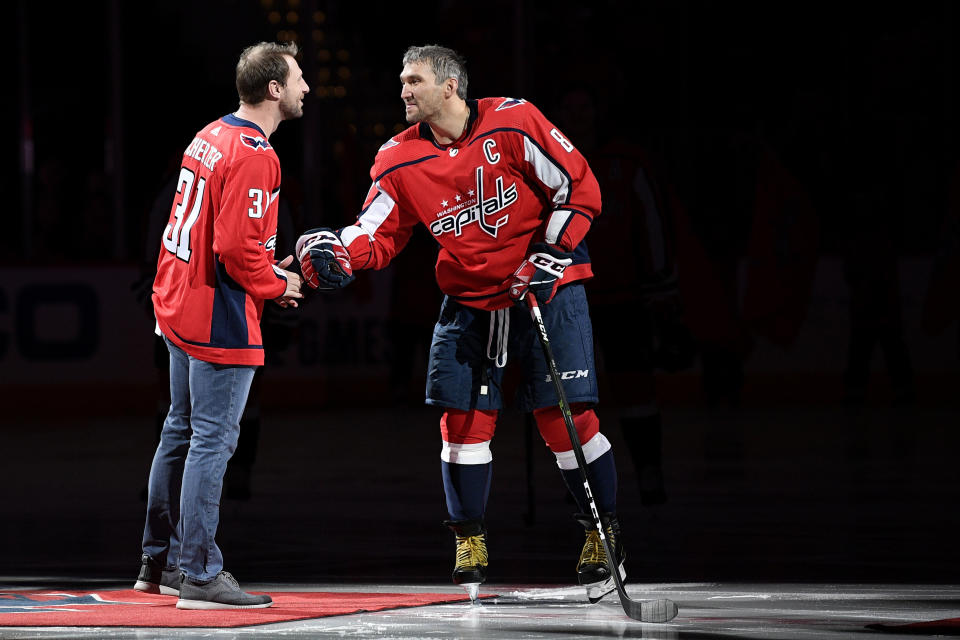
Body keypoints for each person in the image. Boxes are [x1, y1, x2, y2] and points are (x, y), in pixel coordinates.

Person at [297, 45, 623, 603]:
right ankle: (469, 539)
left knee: (564, 420)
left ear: (449, 87)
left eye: (413, 81)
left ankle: (604, 531)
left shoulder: (516, 121)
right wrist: (337, 252)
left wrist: (547, 254)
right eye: (402, 80)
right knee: (461, 423)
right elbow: (375, 229)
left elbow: (580, 185)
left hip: (544, 287)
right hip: (471, 299)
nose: (403, 90)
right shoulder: (396, 158)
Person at [134, 41, 307, 610]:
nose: (306, 87)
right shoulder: (258, 153)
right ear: (274, 89)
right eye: (299, 78)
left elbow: (219, 236)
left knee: (178, 431)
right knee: (211, 441)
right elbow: (235, 249)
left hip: (178, 300)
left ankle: (156, 563)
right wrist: (279, 284)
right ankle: (201, 573)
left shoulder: (210, 134)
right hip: (217, 315)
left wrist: (262, 268)